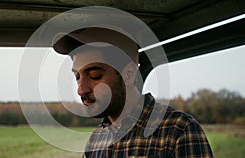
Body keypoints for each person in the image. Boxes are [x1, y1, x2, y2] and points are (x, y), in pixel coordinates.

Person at [53, 27, 213, 157]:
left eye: (95, 76)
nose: (81, 89)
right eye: (77, 76)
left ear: (128, 74)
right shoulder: (95, 140)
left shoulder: (178, 130)